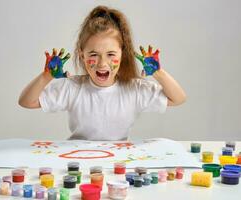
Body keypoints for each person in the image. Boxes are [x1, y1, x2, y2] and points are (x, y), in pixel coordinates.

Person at [18, 5, 186, 140]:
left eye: (111, 54)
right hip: (78, 160)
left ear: (123, 53)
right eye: (93, 55)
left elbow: (178, 98)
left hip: (117, 163)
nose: (102, 63)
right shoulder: (73, 87)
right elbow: (26, 102)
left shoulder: (133, 88)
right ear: (81, 54)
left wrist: (158, 73)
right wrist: (46, 76)